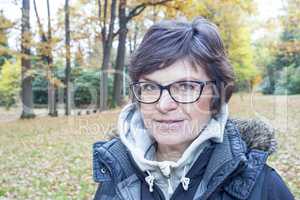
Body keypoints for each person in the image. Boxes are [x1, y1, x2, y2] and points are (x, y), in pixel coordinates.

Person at [92, 17, 294, 200]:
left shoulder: (262, 187)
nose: (164, 105)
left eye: (186, 87)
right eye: (150, 87)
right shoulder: (115, 175)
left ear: (216, 96)